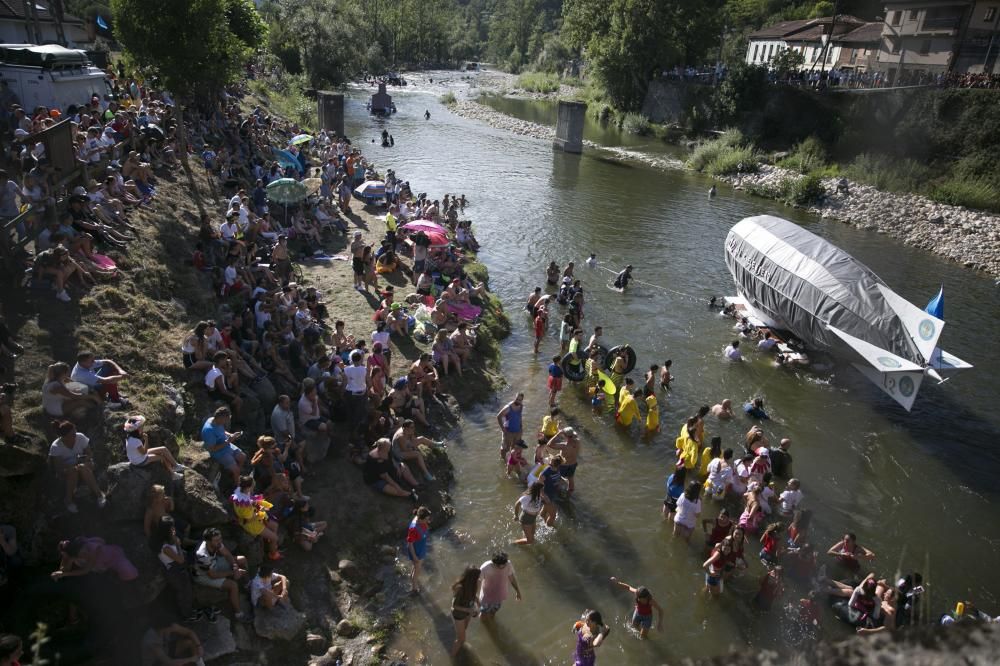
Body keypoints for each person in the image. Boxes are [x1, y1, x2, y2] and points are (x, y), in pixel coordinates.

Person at [48, 420, 107, 513]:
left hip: (84, 464)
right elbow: (58, 468)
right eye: (72, 434)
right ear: (64, 437)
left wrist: (86, 459)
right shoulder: (56, 447)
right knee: (73, 471)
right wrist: (72, 467)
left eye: (75, 431)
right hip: (68, 470)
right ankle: (68, 500)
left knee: (83, 467)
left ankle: (99, 494)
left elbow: (89, 453)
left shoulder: (80, 437)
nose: (75, 435)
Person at [194, 527, 249, 621]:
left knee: (242, 559)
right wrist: (232, 573)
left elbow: (227, 554)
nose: (219, 542)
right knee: (233, 585)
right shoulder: (202, 555)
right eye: (216, 540)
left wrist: (235, 567)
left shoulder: (216, 543)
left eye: (220, 539)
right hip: (204, 575)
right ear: (208, 541)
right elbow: (212, 575)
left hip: (214, 563)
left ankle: (247, 584)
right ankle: (238, 613)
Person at [151, 516, 197, 622]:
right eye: (172, 528)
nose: (174, 529)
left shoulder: (163, 540)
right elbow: (180, 560)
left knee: (185, 590)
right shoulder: (165, 547)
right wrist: (178, 544)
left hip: (176, 569)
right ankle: (186, 615)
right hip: (175, 572)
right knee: (184, 592)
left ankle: (187, 611)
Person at [231, 476, 282, 561]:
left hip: (254, 516)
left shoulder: (240, 492)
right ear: (248, 487)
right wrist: (260, 510)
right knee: (275, 538)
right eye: (252, 486)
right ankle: (273, 554)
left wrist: (257, 501)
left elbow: (250, 501)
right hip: (252, 524)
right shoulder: (244, 504)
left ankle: (271, 544)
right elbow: (248, 519)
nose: (253, 488)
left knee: (275, 525)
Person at [52, 536, 138, 581]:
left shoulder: (91, 548)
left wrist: (64, 574)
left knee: (130, 574)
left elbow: (86, 570)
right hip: (102, 567)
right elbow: (63, 569)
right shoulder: (72, 556)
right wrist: (60, 572)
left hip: (115, 557)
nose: (84, 553)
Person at [200, 407, 246, 486]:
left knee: (243, 457)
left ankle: (234, 473)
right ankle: (237, 487)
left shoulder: (215, 421)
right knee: (237, 470)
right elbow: (212, 449)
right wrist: (228, 441)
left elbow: (222, 430)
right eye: (227, 419)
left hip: (226, 444)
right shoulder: (209, 430)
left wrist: (230, 435)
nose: (228, 421)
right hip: (219, 452)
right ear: (221, 418)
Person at [363, 438, 420, 502]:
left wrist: (397, 467)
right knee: (392, 488)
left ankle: (416, 484)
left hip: (387, 471)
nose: (389, 449)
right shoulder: (376, 458)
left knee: (403, 466)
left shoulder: (387, 449)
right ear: (381, 448)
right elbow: (385, 476)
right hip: (376, 479)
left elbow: (391, 459)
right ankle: (409, 495)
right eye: (388, 448)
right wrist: (396, 486)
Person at [140, 615, 205, 666]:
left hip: (166, 649)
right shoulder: (152, 642)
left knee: (189, 642)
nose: (172, 630)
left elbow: (189, 632)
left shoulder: (169, 625)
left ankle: (201, 664)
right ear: (163, 628)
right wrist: (191, 659)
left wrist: (199, 646)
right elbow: (170, 662)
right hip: (156, 662)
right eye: (170, 629)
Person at [450, 566, 481, 657]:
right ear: (472, 578)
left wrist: (477, 601)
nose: (479, 578)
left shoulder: (474, 584)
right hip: (459, 614)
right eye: (478, 577)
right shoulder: (460, 588)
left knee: (464, 629)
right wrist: (468, 610)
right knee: (461, 640)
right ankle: (452, 657)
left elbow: (473, 595)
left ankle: (461, 639)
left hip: (468, 611)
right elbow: (454, 606)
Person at [546, 427, 582, 493]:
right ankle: (569, 493)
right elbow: (574, 434)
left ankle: (558, 492)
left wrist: (558, 434)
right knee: (571, 478)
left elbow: (549, 444)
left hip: (563, 465)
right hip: (573, 464)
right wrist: (567, 432)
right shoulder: (578, 441)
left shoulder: (564, 445)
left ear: (565, 436)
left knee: (558, 479)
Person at [406, 506, 432, 592]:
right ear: (420, 519)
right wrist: (414, 556)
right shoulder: (413, 528)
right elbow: (410, 544)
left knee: (416, 567)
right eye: (426, 519)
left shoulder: (420, 519)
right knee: (417, 569)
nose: (428, 521)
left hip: (421, 547)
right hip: (416, 551)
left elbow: (425, 526)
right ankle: (414, 589)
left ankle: (413, 578)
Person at [496, 393, 524, 461]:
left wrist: (521, 427)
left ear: (522, 400)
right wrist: (503, 429)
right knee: (506, 448)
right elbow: (498, 416)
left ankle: (512, 460)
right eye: (516, 399)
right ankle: (503, 460)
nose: (517, 401)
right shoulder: (508, 407)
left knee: (514, 447)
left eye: (519, 400)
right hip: (508, 432)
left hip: (517, 431)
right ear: (515, 398)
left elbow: (519, 416)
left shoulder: (521, 406)